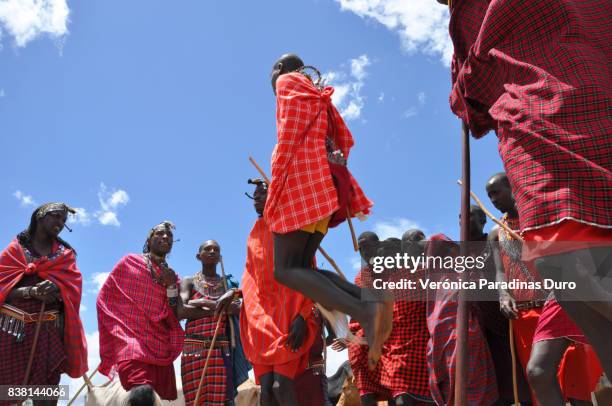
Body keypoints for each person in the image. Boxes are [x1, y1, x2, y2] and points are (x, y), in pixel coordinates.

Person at [436, 0, 612, 384]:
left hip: (544, 114)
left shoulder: (469, 9)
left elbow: (474, 93)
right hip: (600, 97)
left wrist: (459, 95)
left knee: (562, 264)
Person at [266, 53, 392, 370]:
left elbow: (289, 135)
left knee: (283, 269)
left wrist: (278, 184)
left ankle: (363, 311)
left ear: (280, 69)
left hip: (301, 184)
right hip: (325, 188)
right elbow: (344, 140)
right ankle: (368, 299)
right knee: (299, 266)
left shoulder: (287, 81)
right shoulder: (320, 98)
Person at [487, 172, 602, 405]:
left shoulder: (540, 218)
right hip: (524, 316)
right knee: (539, 380)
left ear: (512, 187)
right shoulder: (495, 233)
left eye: (496, 192)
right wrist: (503, 294)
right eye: (489, 196)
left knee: (576, 379)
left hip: (561, 305)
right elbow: (500, 272)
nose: (493, 200)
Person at [239, 178, 321, 406]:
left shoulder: (293, 226)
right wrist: (237, 295)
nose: (257, 201)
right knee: (265, 390)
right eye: (254, 197)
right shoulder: (254, 232)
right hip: (260, 317)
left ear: (275, 194)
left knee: (281, 386)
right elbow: (249, 274)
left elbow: (309, 272)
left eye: (262, 195)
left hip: (290, 314)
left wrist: (304, 315)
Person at [0, 203, 88, 405]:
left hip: (48, 333)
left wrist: (57, 289)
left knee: (46, 394)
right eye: (56, 216)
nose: (60, 223)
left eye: (63, 221)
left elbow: (72, 289)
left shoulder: (66, 255)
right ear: (40, 215)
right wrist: (31, 291)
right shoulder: (15, 251)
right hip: (12, 331)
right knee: (7, 394)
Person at [97, 221, 184, 403]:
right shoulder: (129, 262)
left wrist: (170, 287)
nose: (166, 237)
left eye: (170, 236)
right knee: (142, 391)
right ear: (149, 238)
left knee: (153, 399)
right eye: (160, 234)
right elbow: (105, 297)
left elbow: (175, 312)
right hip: (130, 339)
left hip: (159, 345)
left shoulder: (173, 277)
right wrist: (117, 329)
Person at [344, 232, 433, 406]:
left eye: (369, 247)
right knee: (357, 349)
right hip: (379, 334)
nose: (365, 252)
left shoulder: (421, 272)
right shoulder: (364, 277)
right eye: (361, 249)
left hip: (410, 338)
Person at [425, 233, 498, 405]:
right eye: (445, 250)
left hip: (460, 334)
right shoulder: (440, 277)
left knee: (465, 382)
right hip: (449, 337)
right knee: (458, 384)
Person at [180, 239, 251, 406]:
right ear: (199, 256)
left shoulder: (229, 284)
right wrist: (219, 309)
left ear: (220, 257)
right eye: (207, 249)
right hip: (194, 349)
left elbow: (238, 309)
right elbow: (181, 311)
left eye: (216, 249)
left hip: (221, 348)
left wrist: (203, 303)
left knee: (224, 401)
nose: (212, 251)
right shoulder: (189, 281)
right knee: (196, 400)